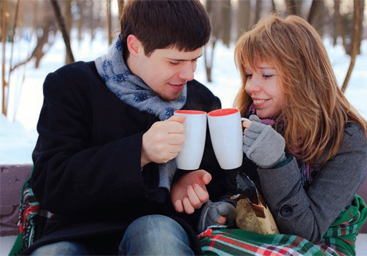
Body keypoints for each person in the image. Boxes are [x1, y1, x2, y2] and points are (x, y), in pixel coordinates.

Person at [20, 1, 237, 255]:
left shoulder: (200, 101)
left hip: (161, 229)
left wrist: (187, 187)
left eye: (194, 59)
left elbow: (221, 189)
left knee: (155, 236)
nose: (189, 74)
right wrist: (140, 152)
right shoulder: (73, 86)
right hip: (77, 230)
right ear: (135, 46)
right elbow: (51, 183)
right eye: (175, 62)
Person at [197, 14, 367, 255]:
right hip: (255, 238)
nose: (250, 87)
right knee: (208, 244)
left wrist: (275, 163)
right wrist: (227, 208)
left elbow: (307, 232)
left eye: (266, 75)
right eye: (249, 75)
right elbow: (242, 190)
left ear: (303, 77)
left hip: (322, 244)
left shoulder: (350, 139)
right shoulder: (250, 122)